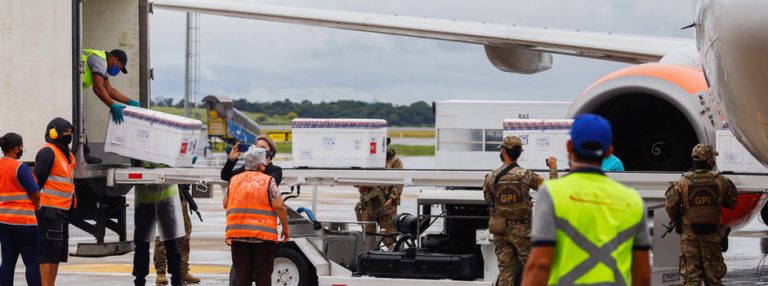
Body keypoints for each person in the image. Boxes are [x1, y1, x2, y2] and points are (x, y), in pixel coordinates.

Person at [523, 114, 651, 286]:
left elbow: (540, 264)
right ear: (609, 151)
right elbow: (642, 276)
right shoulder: (633, 201)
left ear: (569, 147)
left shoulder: (553, 193)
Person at [482, 136, 558, 285]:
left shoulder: (491, 177)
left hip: (501, 230)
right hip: (523, 231)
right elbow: (551, 192)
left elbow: (489, 201)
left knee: (506, 271)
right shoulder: (527, 175)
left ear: (504, 152)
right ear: (519, 153)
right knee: (532, 269)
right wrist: (553, 168)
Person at [665, 143, 738, 285]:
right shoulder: (721, 181)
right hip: (713, 238)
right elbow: (732, 203)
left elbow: (670, 205)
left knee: (691, 279)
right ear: (710, 161)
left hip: (689, 238)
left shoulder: (682, 182)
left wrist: (677, 218)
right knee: (714, 279)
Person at [224, 147, 290, 286]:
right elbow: (279, 206)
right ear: (260, 165)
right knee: (263, 274)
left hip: (238, 234)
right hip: (263, 236)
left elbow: (225, 203)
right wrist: (285, 227)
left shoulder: (234, 180)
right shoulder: (268, 181)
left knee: (242, 274)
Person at [33, 118, 77, 286]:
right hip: (48, 211)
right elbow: (36, 182)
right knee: (46, 254)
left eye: (70, 132)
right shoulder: (48, 152)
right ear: (53, 133)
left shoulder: (67, 154)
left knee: (55, 254)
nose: (68, 135)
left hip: (62, 211)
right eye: (65, 132)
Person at [81, 48, 139, 164]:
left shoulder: (102, 65)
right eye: (119, 67)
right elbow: (98, 88)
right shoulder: (100, 61)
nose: (117, 70)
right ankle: (84, 155)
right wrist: (113, 106)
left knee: (78, 121)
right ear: (115, 60)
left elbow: (109, 90)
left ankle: (84, 154)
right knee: (77, 121)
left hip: (70, 88)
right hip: (66, 87)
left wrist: (130, 102)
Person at [131, 162, 185, 286]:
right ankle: (176, 279)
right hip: (160, 198)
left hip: (158, 198)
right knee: (169, 244)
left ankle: (140, 280)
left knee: (145, 245)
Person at [0, 133, 42, 286]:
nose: (22, 148)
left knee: (7, 263)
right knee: (32, 263)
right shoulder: (20, 167)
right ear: (16, 148)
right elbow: (35, 192)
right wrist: (37, 205)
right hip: (24, 223)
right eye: (22, 145)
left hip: (3, 222)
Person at [154, 184, 201, 284]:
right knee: (163, 235)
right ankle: (160, 272)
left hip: (180, 193)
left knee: (185, 233)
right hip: (164, 192)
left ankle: (183, 270)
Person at [383, 141, 404, 216]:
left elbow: (399, 182)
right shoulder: (367, 159)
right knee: (368, 226)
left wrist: (392, 197)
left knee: (389, 226)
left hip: (388, 200)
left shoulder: (394, 161)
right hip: (370, 202)